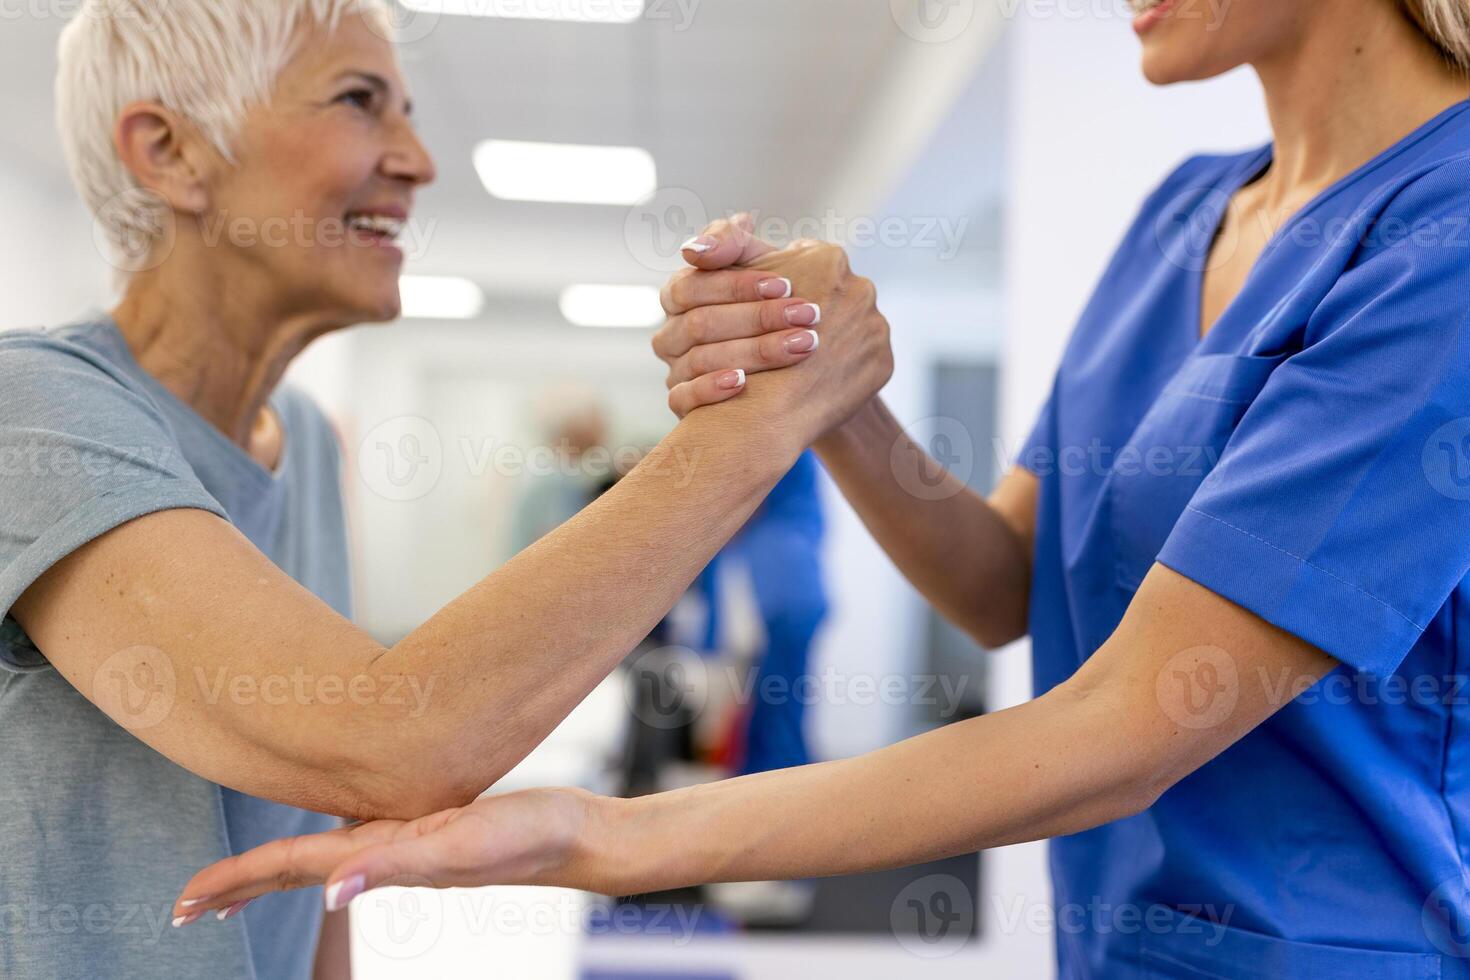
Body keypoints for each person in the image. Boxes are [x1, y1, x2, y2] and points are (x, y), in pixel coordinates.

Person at [175, 0, 1470, 975]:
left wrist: (594, 835)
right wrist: (831, 387)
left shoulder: (1443, 240)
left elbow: (1124, 728)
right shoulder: (1180, 212)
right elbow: (998, 582)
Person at [0, 2, 860, 977]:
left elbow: (332, 817)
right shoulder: (27, 409)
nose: (417, 159)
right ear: (169, 151)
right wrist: (763, 419)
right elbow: (392, 743)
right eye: (360, 101)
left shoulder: (308, 443)